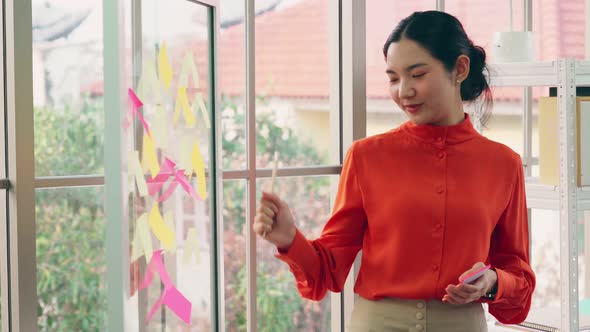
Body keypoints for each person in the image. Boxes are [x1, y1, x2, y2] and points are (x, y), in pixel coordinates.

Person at [253, 10, 535, 332]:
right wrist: (289, 239)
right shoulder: (366, 157)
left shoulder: (504, 165)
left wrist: (492, 281)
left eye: (417, 75)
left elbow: (519, 280)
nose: (404, 91)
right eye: (393, 78)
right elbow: (327, 274)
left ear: (459, 69)